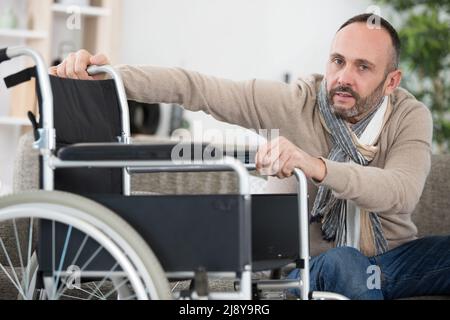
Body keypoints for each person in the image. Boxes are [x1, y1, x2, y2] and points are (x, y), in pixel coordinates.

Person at [50, 13, 450, 300]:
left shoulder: (410, 116)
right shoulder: (294, 103)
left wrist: (316, 166)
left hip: (393, 261)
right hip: (322, 264)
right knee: (346, 264)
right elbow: (196, 88)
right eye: (338, 61)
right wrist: (110, 74)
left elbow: (401, 192)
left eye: (363, 67)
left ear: (391, 81)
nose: (344, 76)